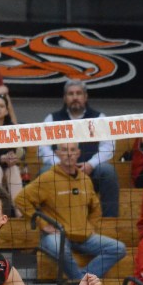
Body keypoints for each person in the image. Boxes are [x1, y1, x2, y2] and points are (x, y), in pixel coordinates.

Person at [15, 142, 126, 282]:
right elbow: (20, 199)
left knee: (118, 248)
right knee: (57, 246)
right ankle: (80, 281)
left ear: (78, 153)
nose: (69, 154)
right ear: (57, 153)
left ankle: (79, 280)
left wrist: (91, 226)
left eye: (72, 150)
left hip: (83, 236)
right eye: (64, 150)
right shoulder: (48, 178)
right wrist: (42, 224)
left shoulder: (85, 179)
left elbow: (96, 207)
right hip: (58, 235)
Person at [38, 79, 119, 217]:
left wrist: (91, 164)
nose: (75, 97)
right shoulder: (52, 119)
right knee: (44, 171)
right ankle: (46, 221)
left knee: (108, 171)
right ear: (65, 98)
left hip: (89, 172)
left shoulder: (99, 118)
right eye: (70, 94)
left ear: (85, 97)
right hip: (60, 173)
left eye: (78, 93)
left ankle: (109, 221)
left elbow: (108, 147)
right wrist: (60, 165)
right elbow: (43, 149)